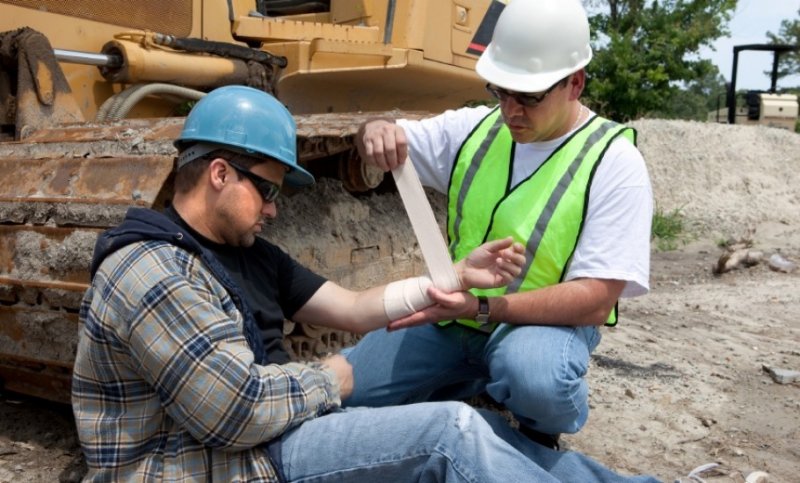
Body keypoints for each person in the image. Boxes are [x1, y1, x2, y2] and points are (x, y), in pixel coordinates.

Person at [71, 84, 659, 482]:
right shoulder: (152, 269)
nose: (275, 209)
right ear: (220, 173)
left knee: (475, 426)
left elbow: (351, 308)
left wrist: (452, 278)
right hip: (218, 463)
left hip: (270, 432)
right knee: (448, 430)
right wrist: (333, 377)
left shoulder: (247, 253)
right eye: (269, 190)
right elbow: (235, 413)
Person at [344, 0, 654, 450]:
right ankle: (471, 384)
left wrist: (484, 308)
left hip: (541, 329)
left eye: (528, 96)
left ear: (575, 83)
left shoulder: (614, 162)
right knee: (354, 390)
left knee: (536, 378)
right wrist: (373, 128)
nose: (511, 110)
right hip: (455, 319)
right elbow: (385, 132)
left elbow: (595, 299)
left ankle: (537, 426)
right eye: (500, 91)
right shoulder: (476, 130)